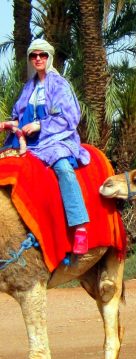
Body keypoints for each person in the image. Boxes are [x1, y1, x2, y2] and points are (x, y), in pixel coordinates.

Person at [0, 39, 91, 254]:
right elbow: (18, 118)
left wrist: (40, 125)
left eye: (42, 55)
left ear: (49, 58)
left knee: (63, 167)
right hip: (29, 143)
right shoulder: (27, 88)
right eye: (33, 55)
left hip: (56, 139)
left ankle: (80, 227)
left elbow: (70, 117)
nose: (38, 59)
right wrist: (7, 124)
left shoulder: (60, 85)